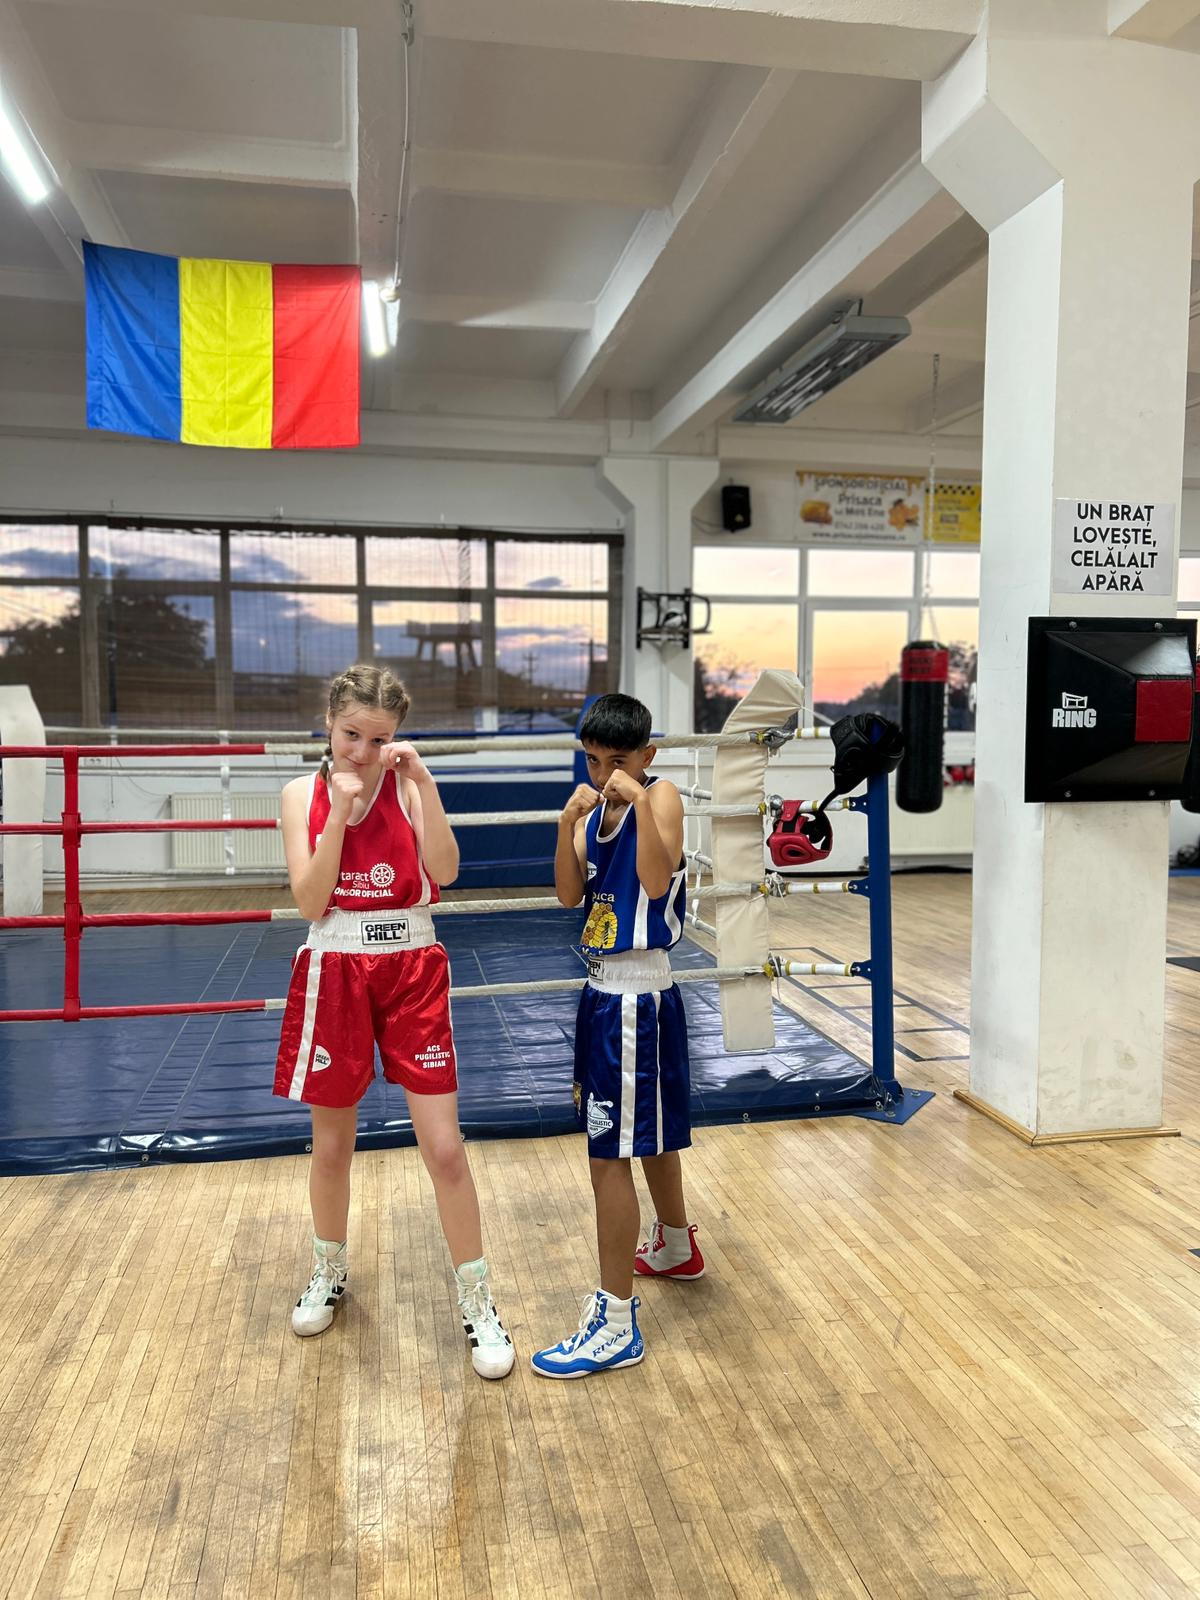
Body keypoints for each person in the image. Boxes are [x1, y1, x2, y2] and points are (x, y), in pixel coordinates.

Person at [272, 664, 513, 1380]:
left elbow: (448, 871)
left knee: (444, 1148)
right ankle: (328, 1271)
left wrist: (427, 786)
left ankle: (478, 1301)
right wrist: (339, 818)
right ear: (329, 722)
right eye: (351, 734)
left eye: (379, 739)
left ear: (396, 737)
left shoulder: (407, 786)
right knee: (331, 1148)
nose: (362, 751)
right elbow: (309, 902)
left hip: (412, 965)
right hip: (336, 964)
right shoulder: (300, 794)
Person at [531, 693, 705, 1380]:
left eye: (619, 761)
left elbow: (656, 881)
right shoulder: (595, 809)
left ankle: (615, 1323)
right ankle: (675, 1247)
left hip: (637, 996)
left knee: (609, 1158)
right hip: (607, 995)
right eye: (594, 761)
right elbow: (568, 895)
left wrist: (637, 799)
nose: (605, 774)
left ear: (647, 755)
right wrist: (565, 825)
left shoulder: (660, 797)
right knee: (648, 1136)